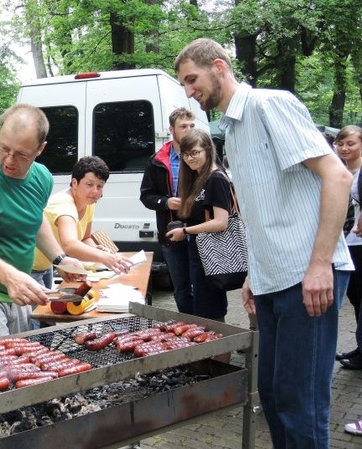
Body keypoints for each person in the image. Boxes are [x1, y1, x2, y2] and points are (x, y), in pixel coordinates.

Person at [174, 38, 353, 449]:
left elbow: (337, 177)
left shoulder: (268, 106)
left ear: (219, 67)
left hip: (307, 276)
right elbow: (258, 208)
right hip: (273, 281)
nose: (188, 91)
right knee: (272, 395)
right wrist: (255, 272)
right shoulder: (232, 131)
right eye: (184, 84)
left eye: (192, 79)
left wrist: (321, 264)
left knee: (300, 402)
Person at [0, 103, 85, 343]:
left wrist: (59, 259)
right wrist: (11, 277)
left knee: (20, 370)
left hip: (19, 292)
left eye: (21, 154)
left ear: (40, 149)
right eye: (4, 148)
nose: (9, 160)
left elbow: (35, 219)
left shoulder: (42, 177)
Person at [32, 155, 132, 288]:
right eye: (89, 184)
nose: (95, 191)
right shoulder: (63, 204)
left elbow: (85, 238)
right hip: (28, 267)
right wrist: (105, 258)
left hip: (49, 263)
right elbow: (70, 245)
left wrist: (98, 250)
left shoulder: (89, 203)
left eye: (100, 186)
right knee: (39, 308)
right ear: (74, 183)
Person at [164, 129, 232, 322]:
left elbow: (220, 222)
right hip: (199, 253)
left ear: (208, 150)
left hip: (212, 255)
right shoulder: (197, 177)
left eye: (195, 152)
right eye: (185, 154)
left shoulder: (216, 178)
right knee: (204, 310)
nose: (189, 158)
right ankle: (210, 351)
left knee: (213, 314)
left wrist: (185, 231)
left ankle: (219, 351)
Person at [140, 107, 196, 314]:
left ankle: (209, 330)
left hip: (201, 231)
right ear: (171, 129)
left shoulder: (206, 155)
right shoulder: (157, 160)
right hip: (171, 232)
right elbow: (146, 195)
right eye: (183, 126)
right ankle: (189, 328)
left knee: (204, 286)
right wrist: (165, 202)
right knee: (181, 288)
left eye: (192, 126)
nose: (189, 130)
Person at [333, 125, 362, 369]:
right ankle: (360, 347)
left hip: (360, 241)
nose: (344, 148)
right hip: (344, 242)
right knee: (355, 296)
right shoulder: (336, 169)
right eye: (341, 144)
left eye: (350, 143)